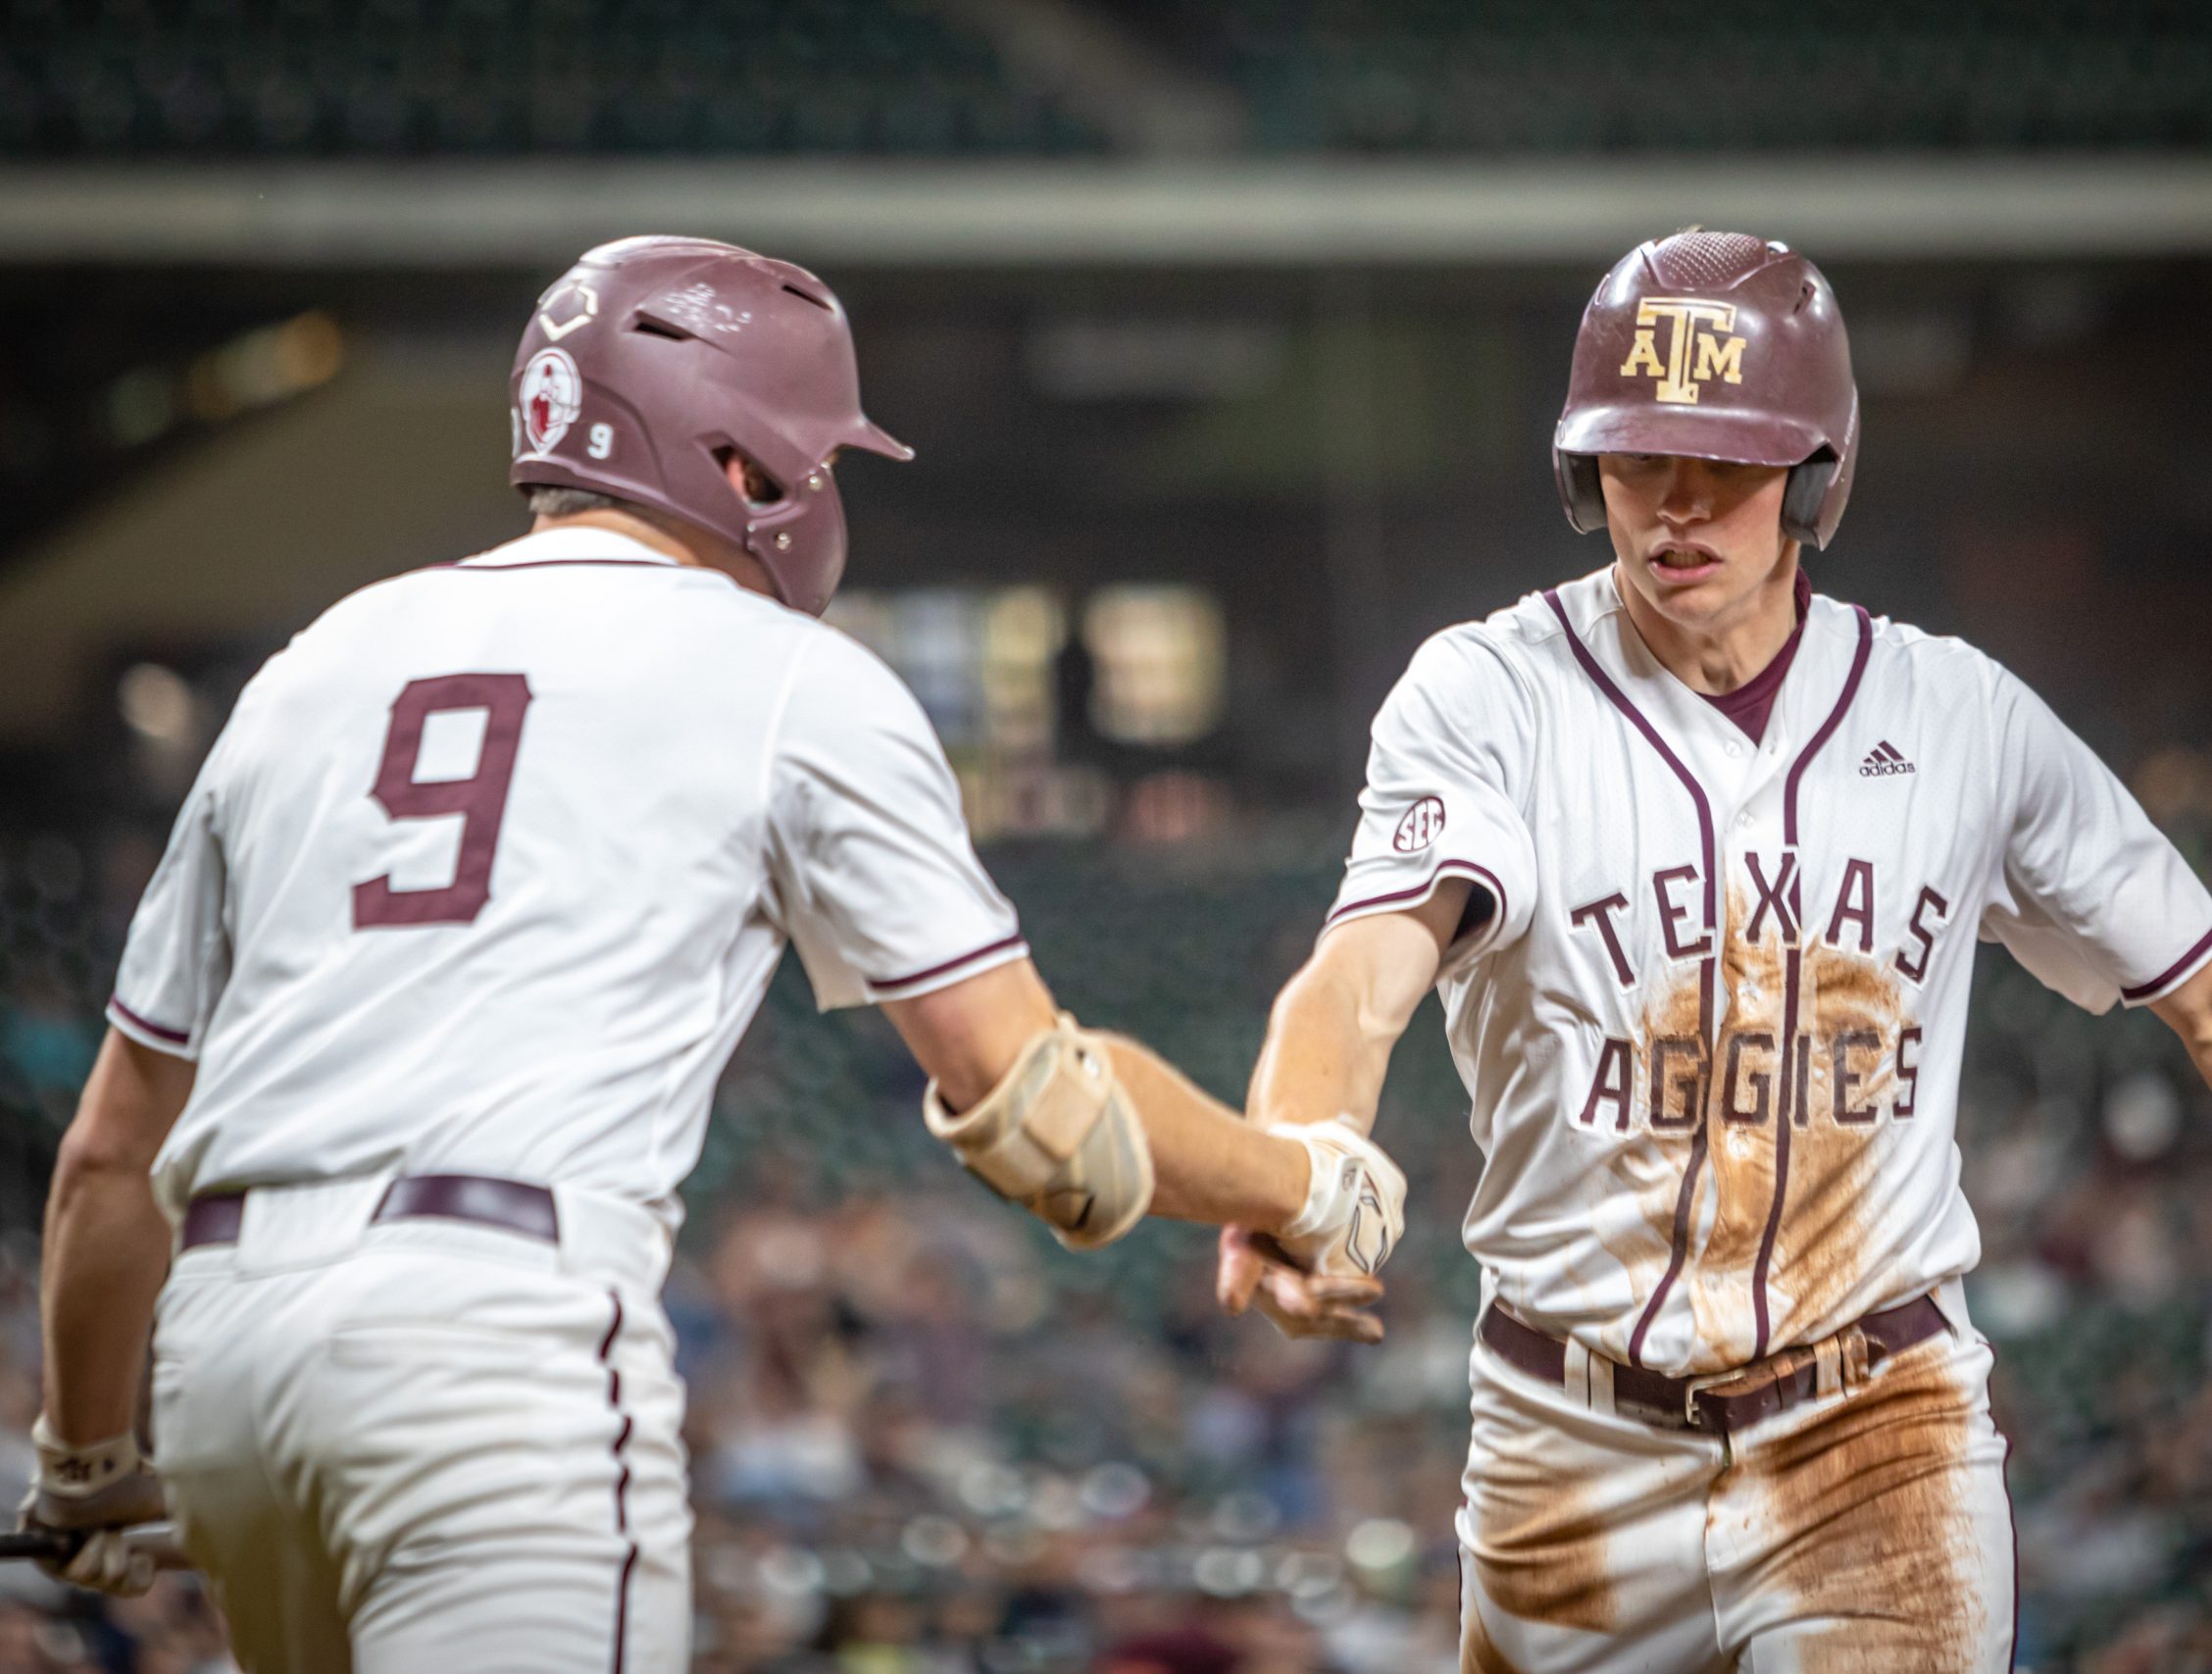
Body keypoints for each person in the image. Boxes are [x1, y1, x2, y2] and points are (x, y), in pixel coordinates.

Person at [25, 235, 1401, 1673]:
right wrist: (1300, 1181)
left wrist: (85, 1461)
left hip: (226, 1357)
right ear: (742, 466)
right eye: (819, 457)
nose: (826, 491)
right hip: (492, 1339)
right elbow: (1052, 1124)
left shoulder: (311, 667)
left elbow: (111, 1160)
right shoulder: (785, 676)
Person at [1217, 228, 2212, 1672]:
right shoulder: (1486, 695)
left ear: (1817, 472)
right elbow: (1364, 972)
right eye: (1641, 462)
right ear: (1586, 471)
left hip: (1876, 1423)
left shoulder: (1963, 718)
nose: (1677, 511)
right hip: (1565, 1442)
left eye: (1729, 466)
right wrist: (1297, 1162)